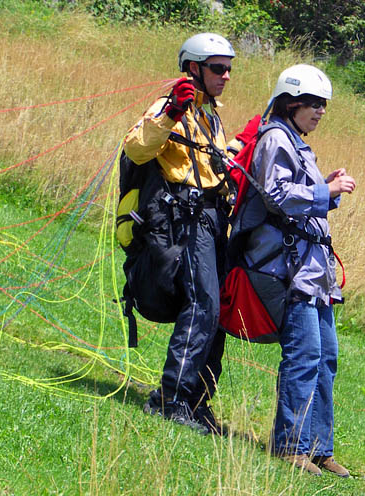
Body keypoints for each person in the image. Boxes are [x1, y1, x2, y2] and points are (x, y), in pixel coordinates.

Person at [231, 64, 356, 475]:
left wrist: (325, 186)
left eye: (324, 105)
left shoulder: (296, 143)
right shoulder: (275, 139)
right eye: (314, 104)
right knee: (304, 355)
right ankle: (290, 446)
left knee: (326, 359)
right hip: (286, 269)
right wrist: (326, 189)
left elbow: (302, 197)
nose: (320, 111)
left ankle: (320, 448)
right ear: (292, 102)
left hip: (313, 271)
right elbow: (277, 195)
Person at [123, 33, 235, 435]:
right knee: (202, 304)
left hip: (212, 218)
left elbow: (212, 166)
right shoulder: (171, 106)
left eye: (228, 69)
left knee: (216, 311)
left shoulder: (211, 116)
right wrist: (171, 111)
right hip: (184, 221)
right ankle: (171, 398)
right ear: (194, 67)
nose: (225, 76)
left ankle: (197, 400)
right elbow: (137, 148)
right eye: (218, 68)